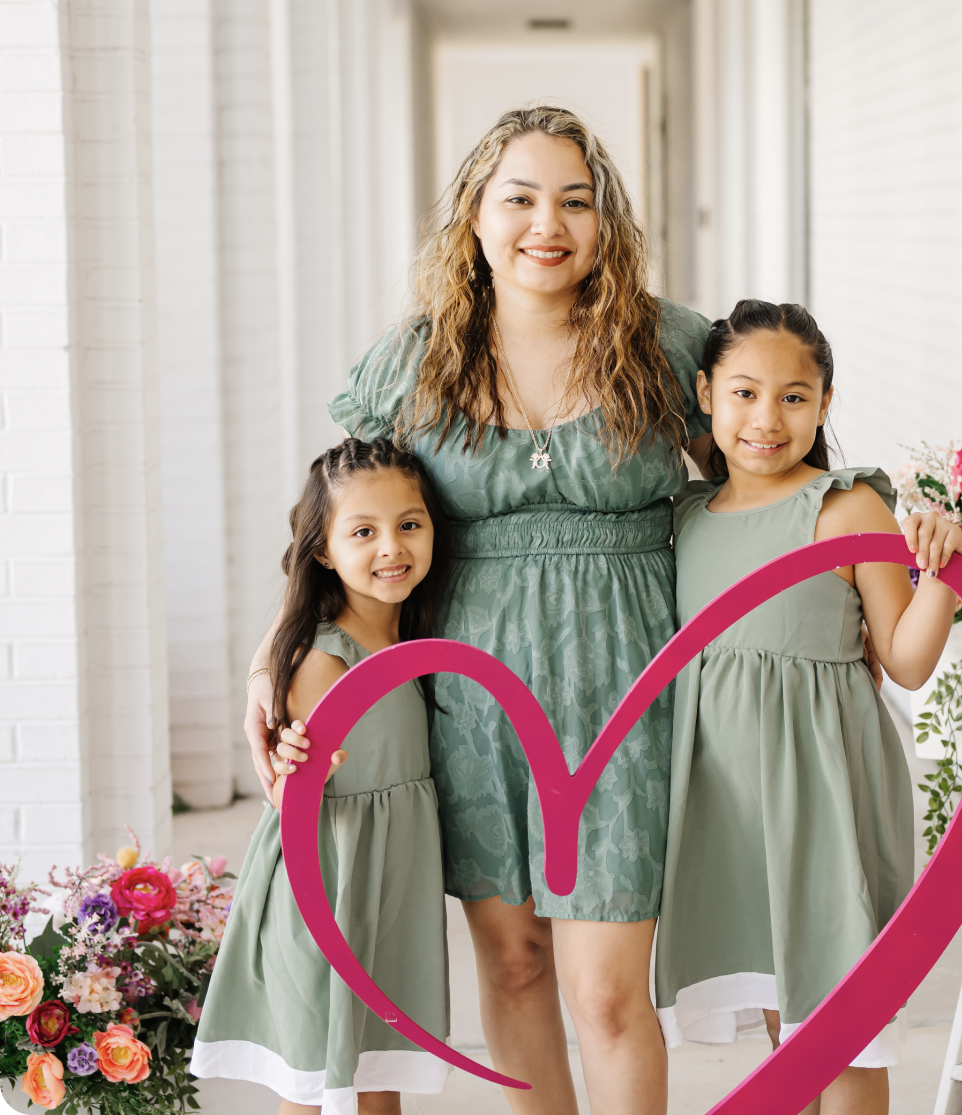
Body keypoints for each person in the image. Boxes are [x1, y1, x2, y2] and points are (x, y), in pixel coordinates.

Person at [254, 106, 716, 1115]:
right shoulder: (413, 360)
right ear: (473, 212)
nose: (543, 223)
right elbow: (335, 527)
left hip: (625, 688)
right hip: (467, 697)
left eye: (573, 200)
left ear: (605, 223)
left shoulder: (673, 344)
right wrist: (273, 662)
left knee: (603, 988)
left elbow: (776, 479)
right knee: (511, 965)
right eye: (517, 197)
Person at [654, 300, 962, 1115]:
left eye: (794, 397)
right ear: (706, 394)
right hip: (729, 808)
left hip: (822, 797)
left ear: (824, 404)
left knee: (839, 1021)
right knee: (780, 1004)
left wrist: (947, 569)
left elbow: (905, 659)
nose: (767, 418)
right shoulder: (686, 519)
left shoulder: (845, 506)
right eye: (745, 393)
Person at [193, 439, 452, 1115]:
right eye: (363, 532)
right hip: (328, 891)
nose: (391, 547)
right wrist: (290, 776)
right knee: (320, 1082)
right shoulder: (322, 661)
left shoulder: (412, 640)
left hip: (388, 888)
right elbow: (290, 792)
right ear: (323, 551)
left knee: (376, 1073)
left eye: (409, 525)